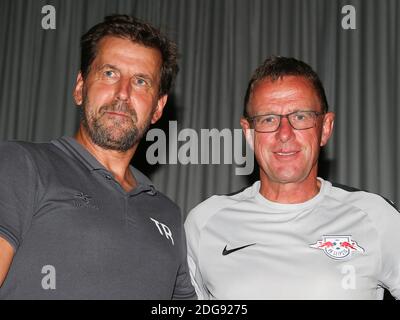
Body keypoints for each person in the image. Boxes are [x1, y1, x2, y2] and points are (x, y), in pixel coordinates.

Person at [0, 14, 196, 299]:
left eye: (140, 81)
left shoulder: (168, 214)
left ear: (158, 108)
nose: (123, 94)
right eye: (109, 73)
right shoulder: (21, 164)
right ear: (80, 87)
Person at [184, 56, 400, 300]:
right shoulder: (205, 223)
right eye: (268, 119)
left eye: (300, 117)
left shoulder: (374, 216)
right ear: (249, 133)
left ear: (325, 127)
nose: (284, 134)